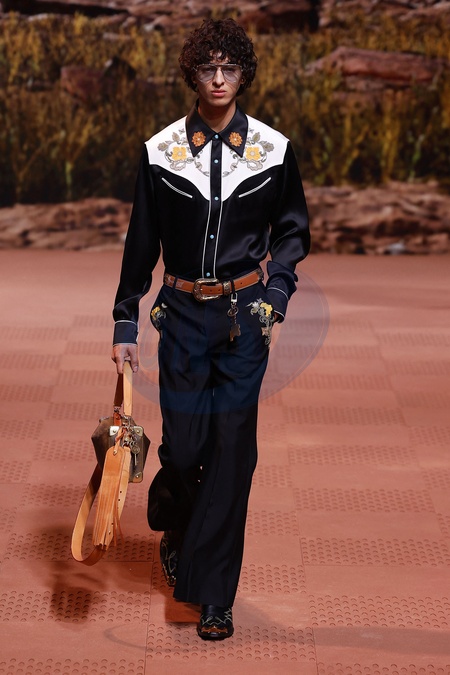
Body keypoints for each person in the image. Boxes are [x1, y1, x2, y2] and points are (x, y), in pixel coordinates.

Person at [111, 18, 310, 640]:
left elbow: (293, 230)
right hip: (181, 316)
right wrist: (125, 319)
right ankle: (176, 519)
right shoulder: (162, 150)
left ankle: (213, 594)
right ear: (192, 76)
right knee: (188, 448)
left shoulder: (272, 150)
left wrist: (277, 293)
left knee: (232, 452)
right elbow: (141, 241)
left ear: (243, 75)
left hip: (245, 317)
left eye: (229, 68)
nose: (219, 79)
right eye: (208, 68)